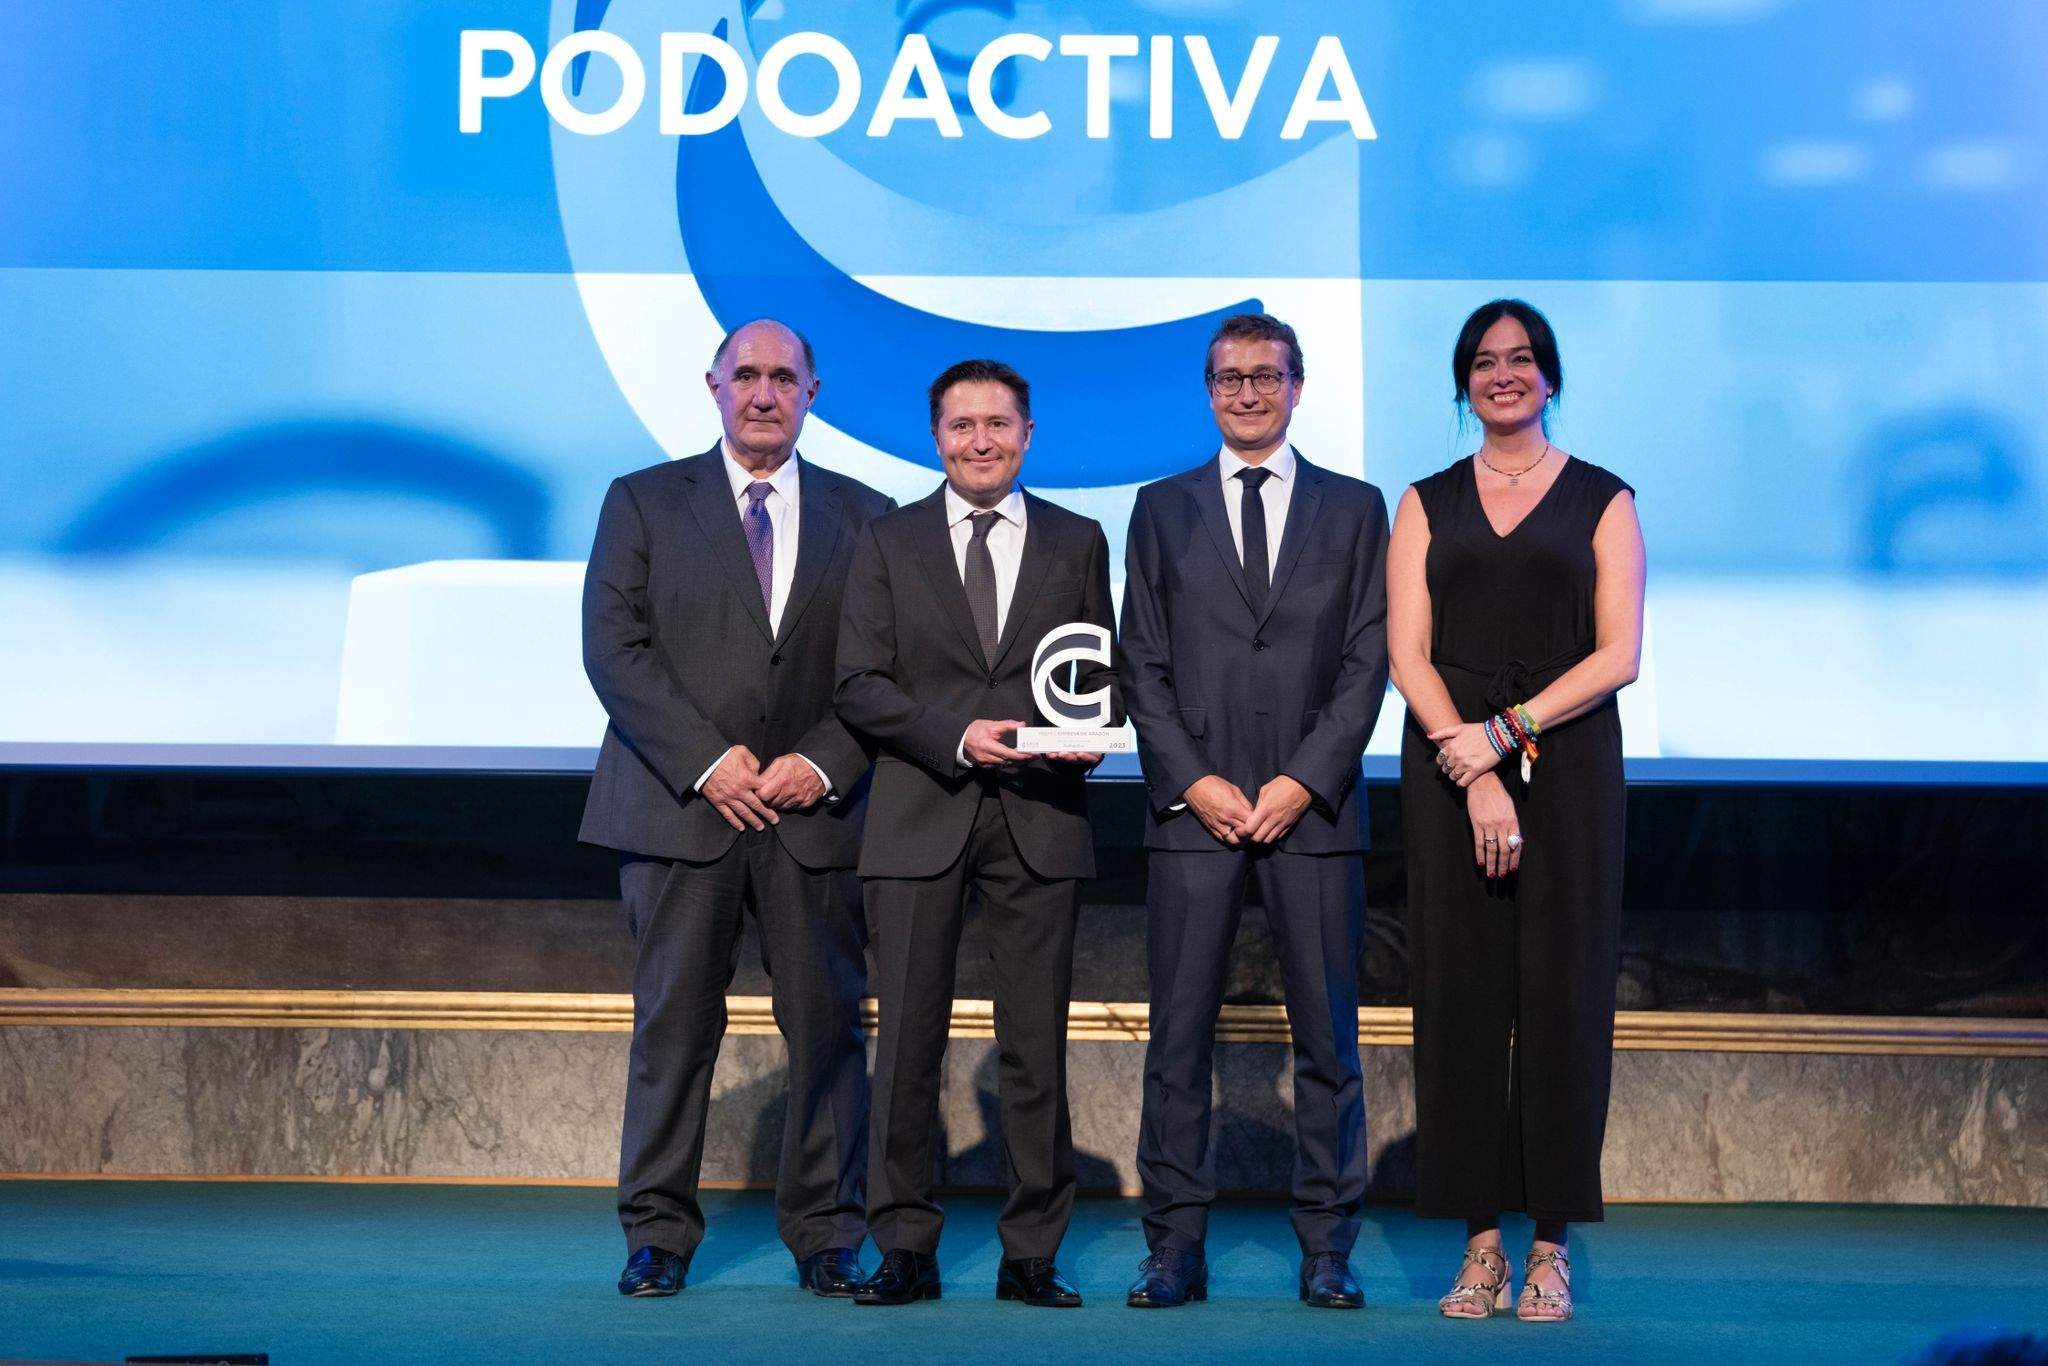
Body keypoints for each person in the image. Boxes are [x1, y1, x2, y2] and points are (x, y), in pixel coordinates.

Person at [580, 319, 894, 1299]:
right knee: (672, 1029)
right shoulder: (640, 500)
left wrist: (822, 761)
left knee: (827, 1026)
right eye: (744, 375)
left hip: (811, 814)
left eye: (782, 377)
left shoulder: (867, 513)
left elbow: (882, 670)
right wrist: (708, 761)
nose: (763, 393)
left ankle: (827, 1235)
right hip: (677, 811)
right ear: (711, 386)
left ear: (812, 390)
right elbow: (612, 648)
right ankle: (657, 1235)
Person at [1119, 312, 1390, 1310]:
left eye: (1263, 376)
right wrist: (1195, 781)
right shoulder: (1157, 508)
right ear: (1206, 389)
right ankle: (1173, 1248)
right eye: (1227, 377)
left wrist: (1297, 781)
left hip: (1311, 814)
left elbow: (1369, 660)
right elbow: (1138, 664)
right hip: (1192, 814)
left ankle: (1327, 1247)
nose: (1245, 392)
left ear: (1295, 384)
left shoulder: (1356, 509)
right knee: (1176, 1040)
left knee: (1327, 1041)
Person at [834, 359, 1118, 1309]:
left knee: (1035, 1048)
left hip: (1041, 818)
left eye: (999, 424)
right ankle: (904, 1247)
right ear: (937, 436)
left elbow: (1090, 674)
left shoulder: (1079, 541)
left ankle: (1031, 1253)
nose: (981, 441)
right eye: (963, 426)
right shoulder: (886, 541)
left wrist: (1084, 739)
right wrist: (957, 735)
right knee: (907, 1046)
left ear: (1028, 434)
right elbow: (860, 684)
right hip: (920, 815)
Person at [1387, 299, 1644, 1323]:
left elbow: (1618, 653)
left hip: (1570, 767)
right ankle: (1479, 1245)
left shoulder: (1601, 497)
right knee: (1457, 1000)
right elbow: (1406, 650)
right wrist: (1473, 760)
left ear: (1548, 377)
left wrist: (1510, 733)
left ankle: (1548, 1244)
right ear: (1462, 383)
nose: (1503, 374)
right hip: (1447, 762)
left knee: (1561, 1002)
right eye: (1484, 362)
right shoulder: (1423, 500)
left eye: (1521, 359)